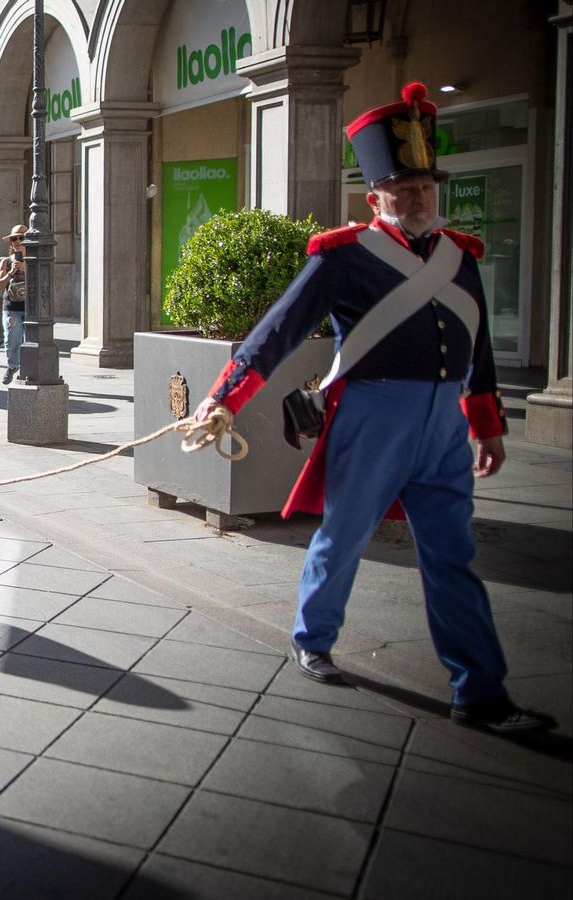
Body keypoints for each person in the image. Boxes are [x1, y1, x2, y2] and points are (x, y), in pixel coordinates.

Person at [193, 82, 552, 735]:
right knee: (345, 537)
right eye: (404, 187)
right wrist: (224, 400)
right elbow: (278, 330)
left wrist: (485, 422)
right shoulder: (345, 255)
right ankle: (313, 635)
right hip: (374, 414)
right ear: (375, 196)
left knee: (453, 554)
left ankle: (480, 692)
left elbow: (477, 345)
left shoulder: (460, 257)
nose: (418, 197)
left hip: (444, 422)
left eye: (426, 185)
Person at [0, 225, 27, 385]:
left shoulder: (36, 261)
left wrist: (26, 269)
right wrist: (10, 272)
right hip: (11, 308)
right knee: (12, 339)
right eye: (15, 238)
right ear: (11, 243)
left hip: (32, 309)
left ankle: (29, 370)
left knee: (31, 342)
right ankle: (12, 366)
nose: (18, 241)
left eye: (22, 237)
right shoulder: (6, 261)